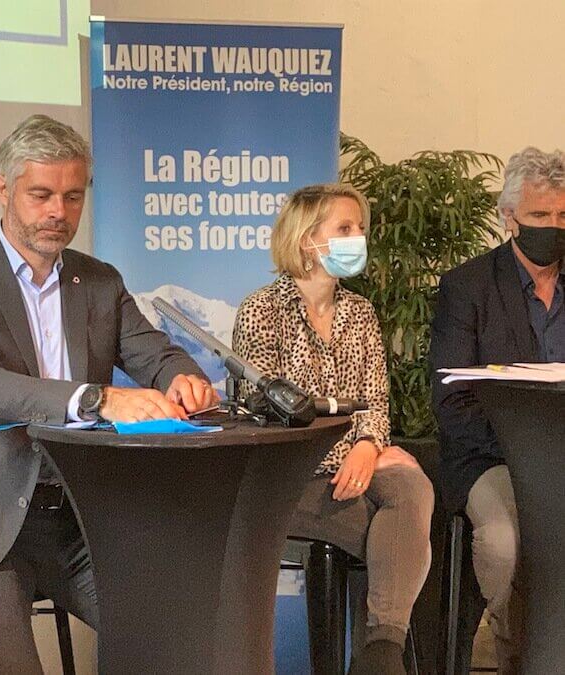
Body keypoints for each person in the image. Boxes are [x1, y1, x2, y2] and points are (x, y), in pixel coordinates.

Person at [0, 114, 216, 672]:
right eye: (41, 195)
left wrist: (179, 376)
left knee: (179, 647)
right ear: (3, 188)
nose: (57, 213)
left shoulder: (98, 280)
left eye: (72, 197)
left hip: (78, 518)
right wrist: (98, 399)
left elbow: (153, 351)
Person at [232, 183, 434, 675]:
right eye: (344, 228)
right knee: (398, 533)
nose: (358, 238)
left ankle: (381, 650)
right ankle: (383, 657)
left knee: (411, 484)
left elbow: (374, 402)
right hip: (289, 478)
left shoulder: (361, 313)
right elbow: (264, 415)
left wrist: (368, 446)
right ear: (307, 240)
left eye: (360, 229)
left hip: (356, 465)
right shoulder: (262, 310)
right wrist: (351, 452)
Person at [431, 146, 565, 674]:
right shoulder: (467, 287)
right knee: (505, 541)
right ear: (508, 217)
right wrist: (524, 452)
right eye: (539, 217)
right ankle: (518, 648)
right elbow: (451, 397)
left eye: (562, 216)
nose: (553, 228)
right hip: (494, 459)